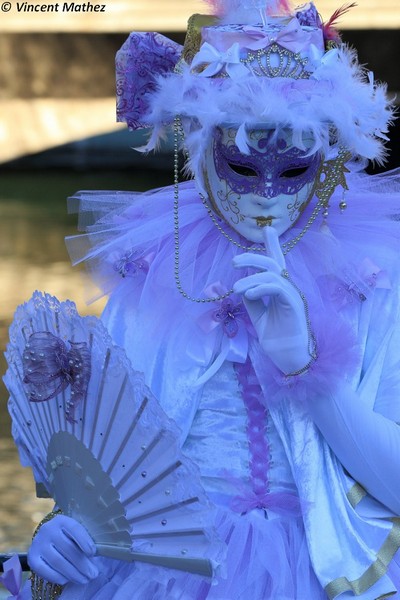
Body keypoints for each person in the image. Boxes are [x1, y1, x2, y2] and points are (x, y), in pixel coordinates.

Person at [23, 0, 400, 598]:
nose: (267, 195)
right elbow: (105, 465)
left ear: (327, 156)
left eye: (294, 166)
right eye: (243, 167)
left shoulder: (374, 277)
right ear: (201, 150)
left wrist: (309, 368)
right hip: (163, 570)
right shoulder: (155, 271)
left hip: (326, 565)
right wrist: (64, 530)